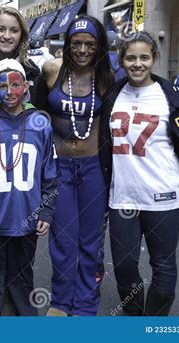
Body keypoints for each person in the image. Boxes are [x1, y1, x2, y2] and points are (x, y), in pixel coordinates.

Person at [99, 31, 179, 316]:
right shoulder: (112, 95)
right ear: (122, 60)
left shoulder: (173, 99)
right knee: (124, 266)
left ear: (154, 58)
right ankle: (135, 315)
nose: (138, 64)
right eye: (131, 58)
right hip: (123, 196)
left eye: (144, 57)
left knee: (162, 265)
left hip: (163, 196)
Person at [34, 15, 114, 316]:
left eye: (90, 45)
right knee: (63, 238)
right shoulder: (52, 70)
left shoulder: (107, 76)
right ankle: (60, 301)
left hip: (93, 167)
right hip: (60, 168)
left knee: (90, 240)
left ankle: (85, 304)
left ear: (99, 48)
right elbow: (36, 113)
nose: (82, 50)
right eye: (76, 43)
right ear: (67, 45)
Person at [0, 59, 58, 316]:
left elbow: (49, 174)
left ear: (26, 86)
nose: (10, 92)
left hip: (26, 219)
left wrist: (46, 211)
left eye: (16, 84)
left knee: (22, 280)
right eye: (2, 86)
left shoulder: (40, 124)